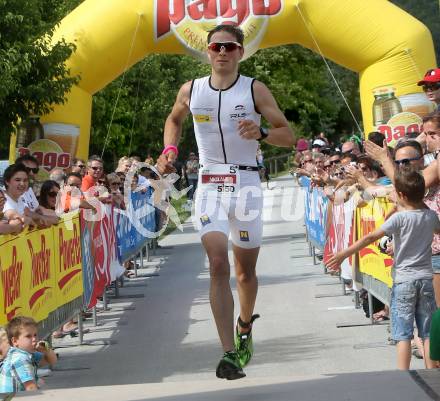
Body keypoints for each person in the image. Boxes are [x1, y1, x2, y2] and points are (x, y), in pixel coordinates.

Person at [157, 24, 294, 380]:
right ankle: (229, 353)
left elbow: (289, 135)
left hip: (246, 181)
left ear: (240, 53)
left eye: (230, 47)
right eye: (217, 46)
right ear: (207, 51)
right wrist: (170, 148)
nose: (222, 52)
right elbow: (173, 118)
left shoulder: (254, 89)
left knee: (244, 272)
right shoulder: (191, 89)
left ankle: (245, 325)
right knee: (218, 264)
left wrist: (262, 132)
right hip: (210, 182)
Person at [328, 167, 440, 370]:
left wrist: (344, 253)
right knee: (427, 332)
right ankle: (432, 374)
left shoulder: (398, 219)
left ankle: (402, 376)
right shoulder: (430, 216)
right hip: (425, 279)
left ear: (402, 195)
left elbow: (370, 237)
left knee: (403, 333)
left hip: (404, 281)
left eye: (394, 192)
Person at [0, 316, 57, 392]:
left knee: (40, 383)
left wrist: (47, 351)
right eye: (28, 336)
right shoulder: (20, 358)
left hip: (16, 396)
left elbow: (51, 360)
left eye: (35, 335)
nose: (34, 339)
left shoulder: (27, 353)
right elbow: (30, 388)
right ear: (15, 341)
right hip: (11, 397)